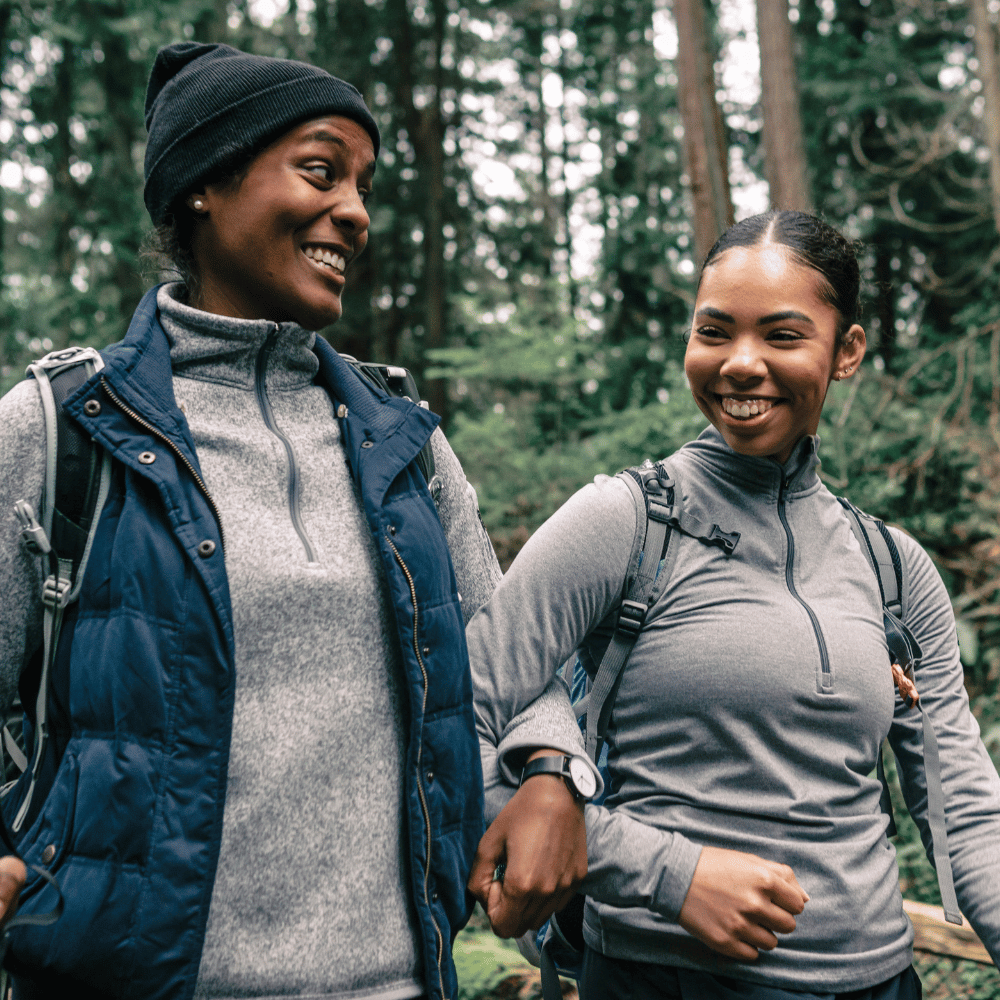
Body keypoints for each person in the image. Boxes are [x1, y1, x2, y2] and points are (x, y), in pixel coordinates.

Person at [0, 42, 507, 1000]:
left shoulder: (404, 441)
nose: (354, 211)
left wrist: (557, 770)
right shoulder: (63, 427)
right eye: (321, 171)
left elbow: (510, 665)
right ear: (205, 184)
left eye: (362, 184)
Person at [466, 211, 1000, 999]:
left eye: (782, 336)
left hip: (881, 979)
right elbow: (452, 720)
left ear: (845, 351)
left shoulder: (894, 566)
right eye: (714, 332)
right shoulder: (625, 522)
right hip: (662, 978)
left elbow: (962, 805)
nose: (741, 364)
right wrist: (666, 873)